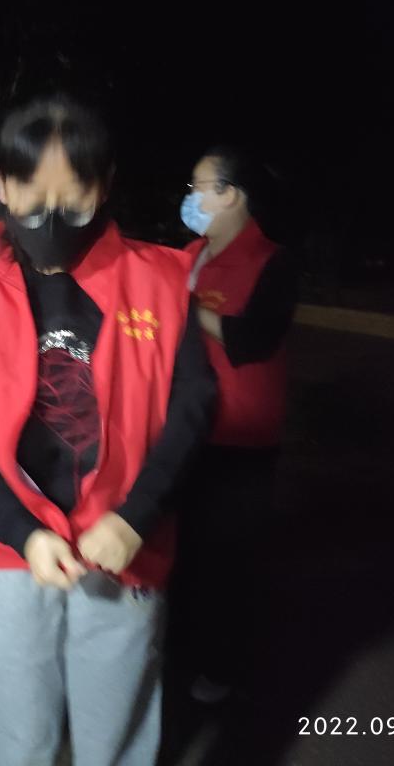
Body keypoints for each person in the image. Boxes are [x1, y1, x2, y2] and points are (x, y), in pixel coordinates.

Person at [0, 95, 214, 764]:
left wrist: (137, 516)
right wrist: (19, 530)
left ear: (106, 185)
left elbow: (193, 407)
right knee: (17, 723)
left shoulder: (162, 281)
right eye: (33, 201)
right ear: (2, 185)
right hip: (13, 545)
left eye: (75, 201)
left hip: (124, 542)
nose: (52, 221)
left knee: (116, 726)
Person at [173, 144, 299, 703]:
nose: (190, 198)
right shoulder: (189, 255)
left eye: (198, 187)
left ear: (230, 195)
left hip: (241, 439)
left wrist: (188, 308)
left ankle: (222, 669)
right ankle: (181, 652)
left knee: (227, 561)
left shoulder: (273, 261)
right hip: (185, 431)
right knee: (184, 551)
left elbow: (255, 338)